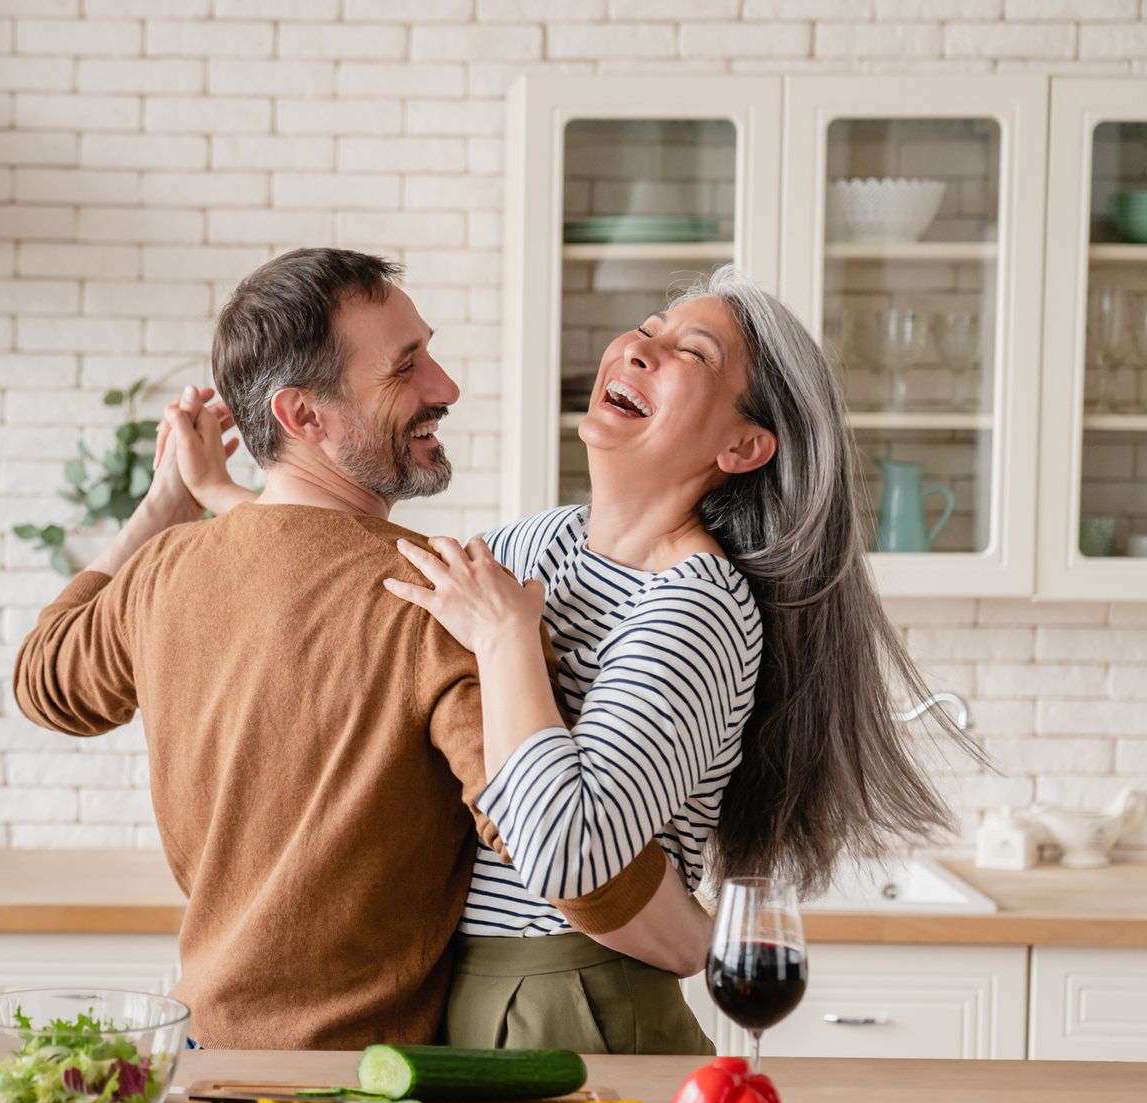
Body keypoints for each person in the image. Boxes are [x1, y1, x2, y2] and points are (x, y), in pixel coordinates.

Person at [176, 262, 962, 1053]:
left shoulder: (698, 606)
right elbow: (366, 579)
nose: (639, 349)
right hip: (463, 991)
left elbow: (568, 852)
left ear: (743, 444)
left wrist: (508, 640)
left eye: (691, 352)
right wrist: (221, 494)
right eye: (648, 328)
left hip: (581, 998)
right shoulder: (536, 543)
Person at [11, 249, 698, 1051]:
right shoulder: (440, 601)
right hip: (355, 1091)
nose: (445, 386)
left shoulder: (164, 571)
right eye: (406, 369)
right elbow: (565, 855)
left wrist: (163, 504)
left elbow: (43, 679)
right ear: (304, 417)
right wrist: (704, 944)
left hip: (198, 1058)